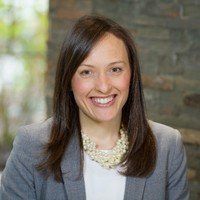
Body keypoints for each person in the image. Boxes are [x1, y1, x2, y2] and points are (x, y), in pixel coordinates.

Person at [0, 15, 189, 200]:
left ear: (132, 75)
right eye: (87, 72)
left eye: (115, 69)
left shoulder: (167, 146)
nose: (104, 86)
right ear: (69, 80)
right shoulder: (32, 146)